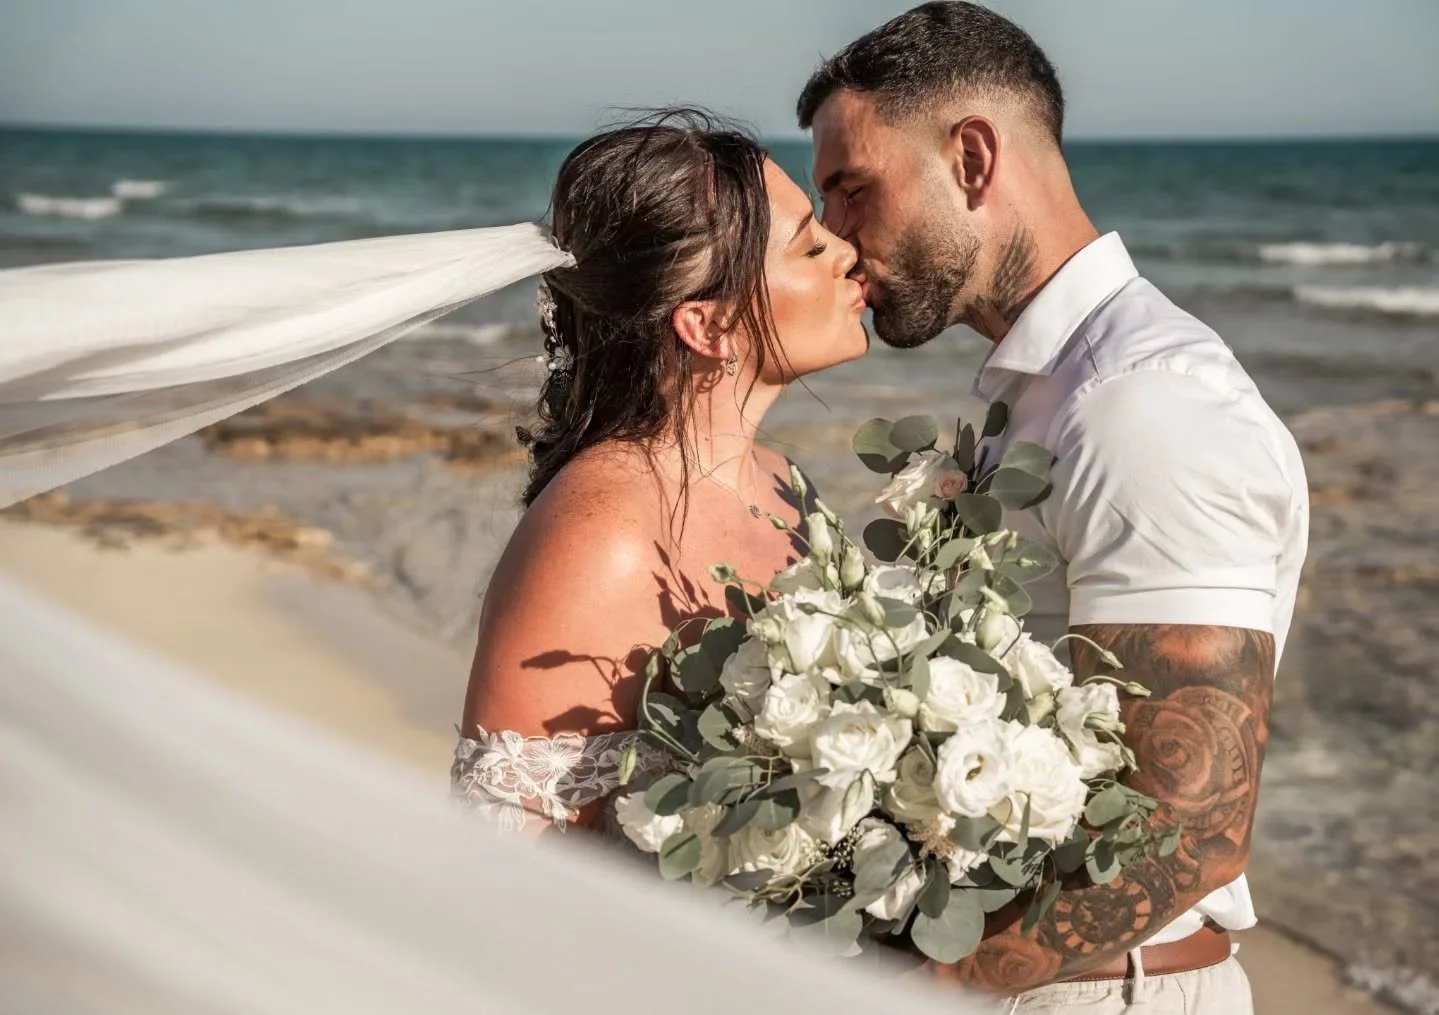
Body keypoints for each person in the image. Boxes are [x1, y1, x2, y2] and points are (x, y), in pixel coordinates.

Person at [797, 3, 1309, 1012]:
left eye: (851, 189)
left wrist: (934, 980)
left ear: (972, 160)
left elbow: (1192, 828)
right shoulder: (1043, 389)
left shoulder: (1143, 405)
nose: (838, 241)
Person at [452, 110, 868, 834]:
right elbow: (503, 854)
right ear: (705, 325)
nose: (846, 249)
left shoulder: (786, 488)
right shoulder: (598, 536)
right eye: (807, 247)